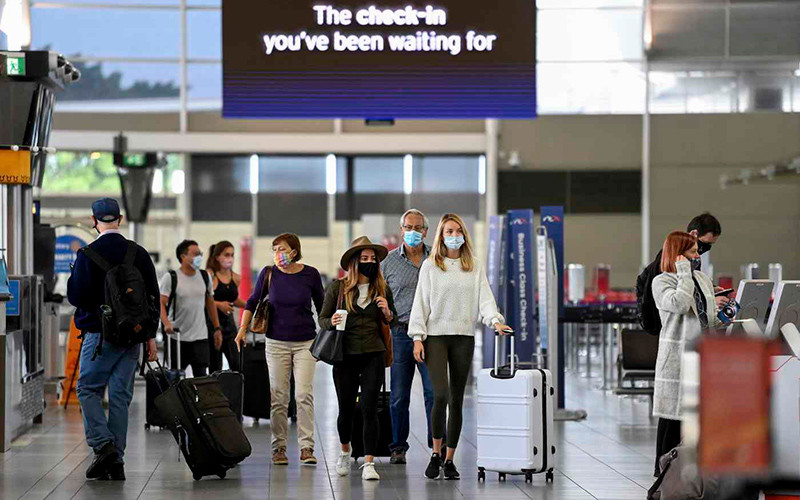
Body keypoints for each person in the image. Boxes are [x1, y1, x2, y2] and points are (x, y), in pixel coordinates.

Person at [409, 213, 511, 481]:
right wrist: (417, 337)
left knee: (456, 399)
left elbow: (485, 299)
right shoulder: (431, 266)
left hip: (463, 337)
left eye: (457, 231)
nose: (453, 235)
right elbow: (420, 303)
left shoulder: (473, 266)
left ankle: (450, 459)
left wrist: (495, 321)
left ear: (464, 234)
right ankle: (435, 452)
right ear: (441, 235)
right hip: (436, 337)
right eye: (448, 231)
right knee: (439, 394)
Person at [68, 198, 159, 481]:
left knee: (88, 390)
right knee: (120, 397)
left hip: (98, 336)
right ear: (120, 218)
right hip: (132, 338)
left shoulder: (87, 254)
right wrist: (150, 336)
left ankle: (103, 445)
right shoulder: (138, 254)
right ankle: (116, 460)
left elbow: (76, 297)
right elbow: (153, 298)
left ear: (93, 221)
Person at [235, 233, 324, 466]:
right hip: (276, 343)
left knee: (303, 395)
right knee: (279, 397)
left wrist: (329, 337)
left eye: (282, 249)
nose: (277, 254)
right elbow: (252, 301)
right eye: (274, 249)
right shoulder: (268, 274)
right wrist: (242, 329)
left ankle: (307, 447)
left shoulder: (310, 274)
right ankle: (279, 447)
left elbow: (322, 307)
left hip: (306, 342)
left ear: (294, 252)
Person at [318, 236, 397, 481]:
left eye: (372, 259)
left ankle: (369, 462)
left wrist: (386, 311)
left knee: (370, 408)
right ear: (354, 262)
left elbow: (391, 319)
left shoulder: (382, 288)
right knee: (346, 410)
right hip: (345, 355)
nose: (369, 263)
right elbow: (322, 319)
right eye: (364, 259)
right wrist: (331, 322)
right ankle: (344, 452)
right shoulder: (337, 288)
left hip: (373, 353)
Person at [651, 231, 729, 476]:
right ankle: (664, 477)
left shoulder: (703, 279)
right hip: (677, 359)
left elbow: (707, 318)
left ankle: (692, 476)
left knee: (696, 420)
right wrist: (684, 273)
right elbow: (680, 304)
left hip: (702, 357)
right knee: (673, 421)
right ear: (677, 256)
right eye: (693, 252)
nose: (697, 256)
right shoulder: (661, 282)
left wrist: (725, 318)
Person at [381, 209, 439, 465]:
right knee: (399, 396)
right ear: (401, 229)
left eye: (418, 227)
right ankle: (397, 447)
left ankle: (436, 445)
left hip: (431, 335)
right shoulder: (389, 263)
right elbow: (379, 297)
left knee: (433, 393)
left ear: (426, 231)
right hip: (401, 334)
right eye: (409, 227)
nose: (413, 232)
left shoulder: (437, 259)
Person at [638, 213, 723, 336]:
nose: (699, 254)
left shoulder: (693, 264)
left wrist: (706, 291)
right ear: (694, 234)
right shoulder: (662, 276)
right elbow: (680, 303)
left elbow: (689, 288)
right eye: (703, 244)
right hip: (669, 329)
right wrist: (707, 300)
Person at [159, 240, 223, 377]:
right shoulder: (171, 278)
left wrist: (217, 329)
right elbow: (161, 304)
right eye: (195, 254)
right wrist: (166, 323)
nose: (199, 257)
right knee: (175, 378)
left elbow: (210, 303)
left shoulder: (205, 277)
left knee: (201, 377)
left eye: (200, 253)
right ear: (183, 257)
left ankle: (199, 399)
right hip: (176, 337)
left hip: (200, 337)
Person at [206, 241, 246, 372]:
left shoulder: (235, 277)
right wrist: (219, 305)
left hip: (229, 326)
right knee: (215, 366)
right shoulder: (210, 275)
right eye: (226, 254)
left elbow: (233, 299)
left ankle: (237, 391)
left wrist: (250, 306)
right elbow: (202, 298)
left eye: (232, 255)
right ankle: (215, 391)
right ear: (217, 256)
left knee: (237, 363)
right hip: (212, 326)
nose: (230, 258)